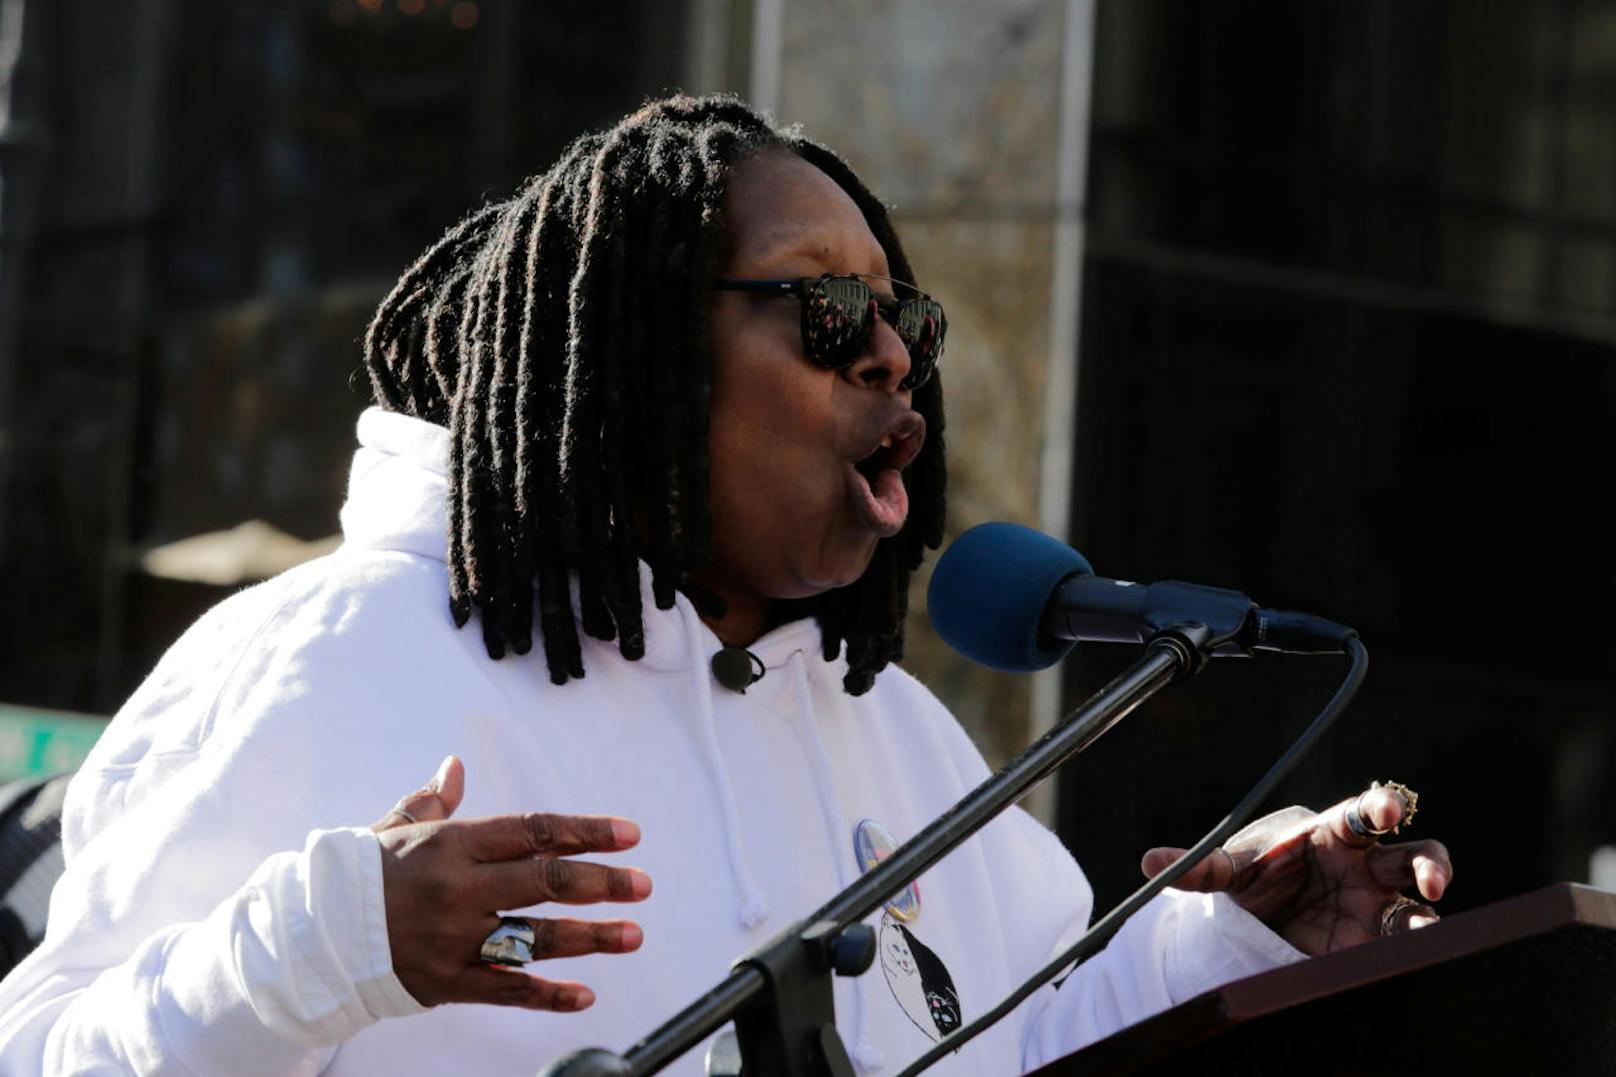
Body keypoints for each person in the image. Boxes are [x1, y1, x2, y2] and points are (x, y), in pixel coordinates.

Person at [0, 94, 1451, 1075]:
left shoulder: (898, 739)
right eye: (825, 311)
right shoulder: (333, 656)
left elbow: (1024, 1041)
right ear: (625, 355)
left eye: (906, 320)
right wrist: (321, 948)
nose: (887, 355)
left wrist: (1224, 947)